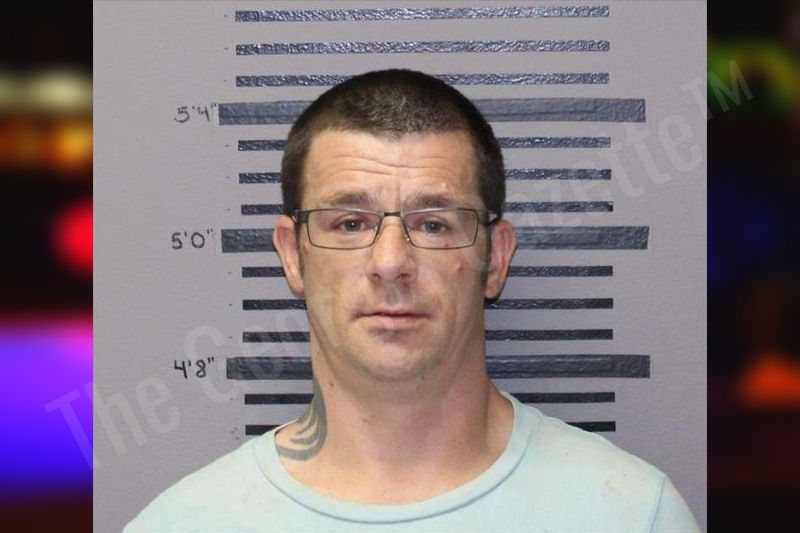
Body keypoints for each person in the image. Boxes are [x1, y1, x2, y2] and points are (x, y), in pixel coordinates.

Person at [125, 69, 701, 532]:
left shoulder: (632, 515)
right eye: (350, 223)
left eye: (434, 224)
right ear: (292, 255)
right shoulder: (181, 523)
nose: (391, 262)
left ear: (496, 258)